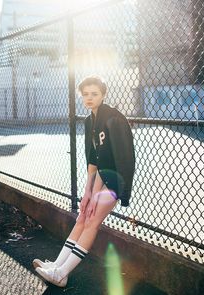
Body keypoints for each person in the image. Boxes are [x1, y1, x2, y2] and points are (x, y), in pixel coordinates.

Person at [33, 76, 135, 287]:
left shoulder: (114, 118)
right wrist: (87, 193)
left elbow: (117, 161)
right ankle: (57, 265)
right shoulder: (90, 120)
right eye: (85, 94)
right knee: (82, 217)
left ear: (104, 95)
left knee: (91, 222)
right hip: (100, 177)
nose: (89, 98)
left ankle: (62, 274)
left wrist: (100, 192)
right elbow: (93, 160)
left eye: (94, 94)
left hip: (116, 179)